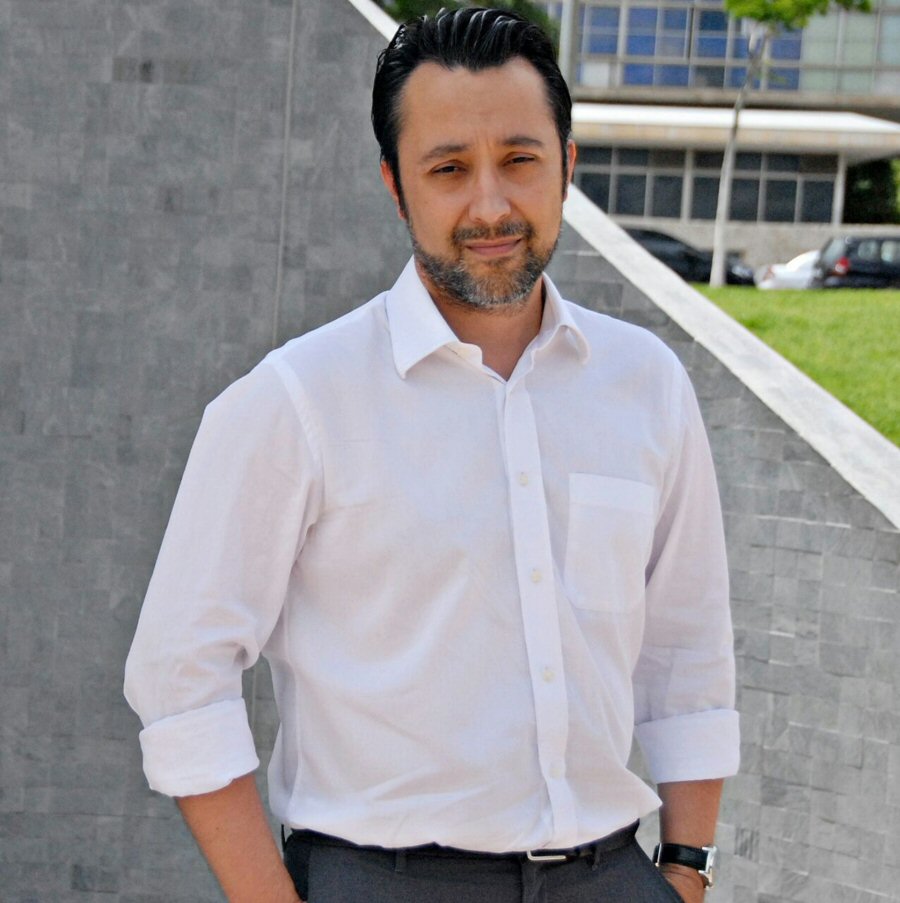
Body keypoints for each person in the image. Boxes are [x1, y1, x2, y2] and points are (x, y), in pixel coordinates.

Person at [124, 8, 739, 903]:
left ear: (567, 165)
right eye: (448, 168)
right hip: (384, 879)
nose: (490, 205)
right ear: (395, 184)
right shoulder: (297, 401)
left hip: (613, 875)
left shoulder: (646, 384)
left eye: (520, 159)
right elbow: (179, 676)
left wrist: (685, 867)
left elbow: (689, 648)